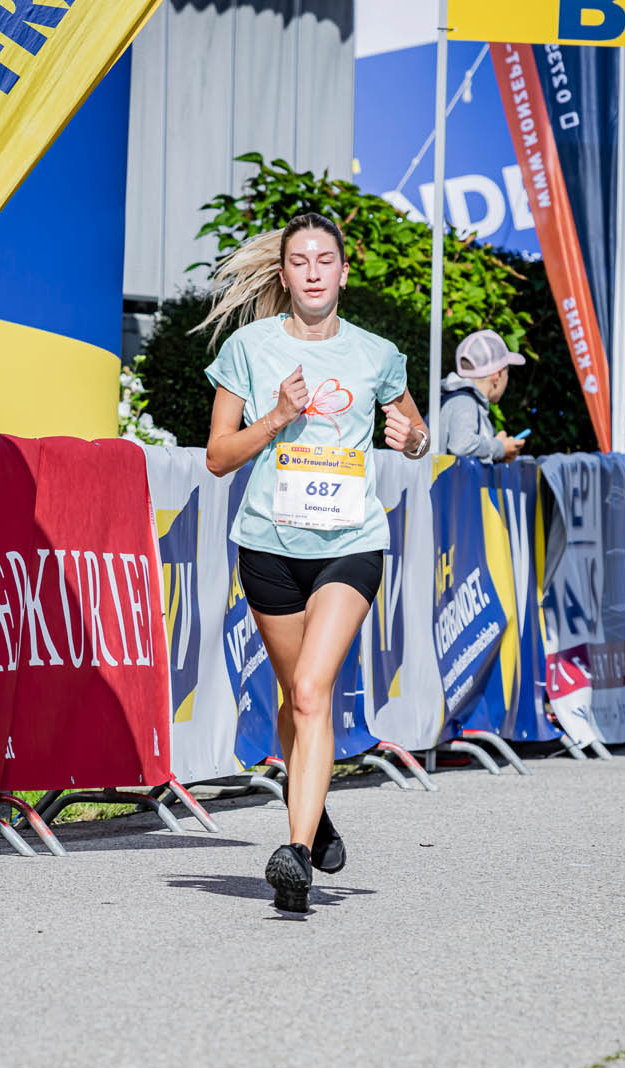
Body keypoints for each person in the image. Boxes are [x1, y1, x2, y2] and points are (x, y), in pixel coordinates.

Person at [202, 211, 430, 912]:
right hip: (269, 545)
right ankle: (315, 809)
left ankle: (295, 854)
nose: (312, 273)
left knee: (311, 691)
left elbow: (417, 434)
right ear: (284, 273)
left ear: (343, 272)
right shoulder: (249, 347)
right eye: (299, 261)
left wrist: (412, 438)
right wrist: (275, 418)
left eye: (324, 260)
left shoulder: (376, 354)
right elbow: (218, 457)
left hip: (350, 543)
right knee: (293, 699)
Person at [436, 329, 527, 461]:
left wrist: (500, 454)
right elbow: (461, 446)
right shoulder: (464, 401)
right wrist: (500, 448)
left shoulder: (459, 399)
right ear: (497, 375)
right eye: (507, 373)